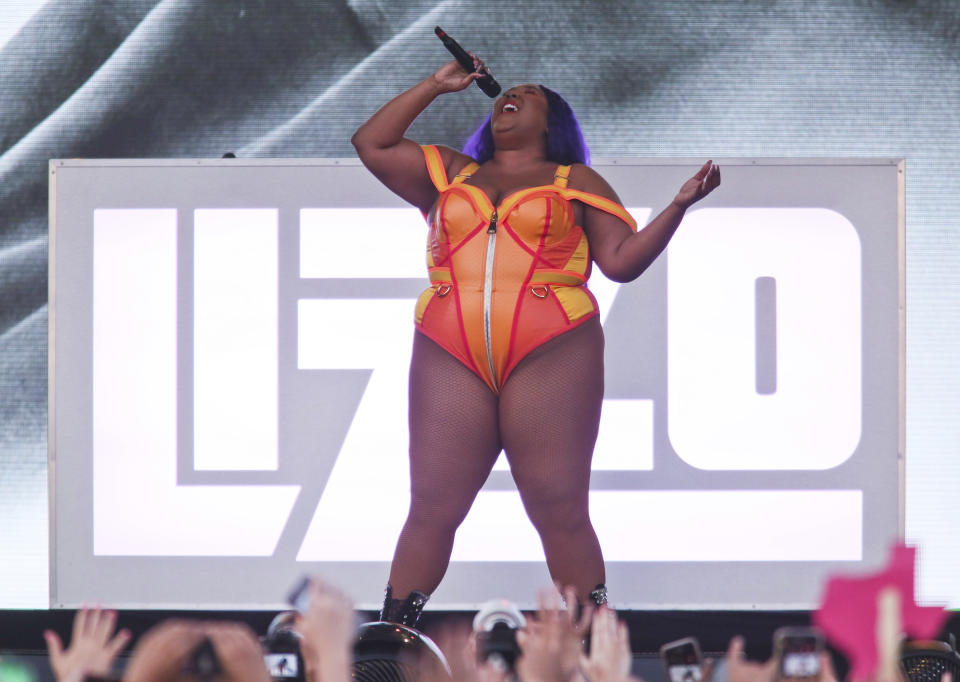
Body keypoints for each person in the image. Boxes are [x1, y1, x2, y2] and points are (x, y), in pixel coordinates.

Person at [351, 56, 720, 628]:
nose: (510, 97)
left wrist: (677, 206)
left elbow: (620, 264)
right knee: (431, 507)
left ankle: (595, 641)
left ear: (554, 120)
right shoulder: (451, 173)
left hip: (552, 349)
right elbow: (372, 144)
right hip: (450, 348)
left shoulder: (576, 181)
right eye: (506, 94)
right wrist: (435, 85)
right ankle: (389, 643)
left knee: (559, 506)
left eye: (528, 94)